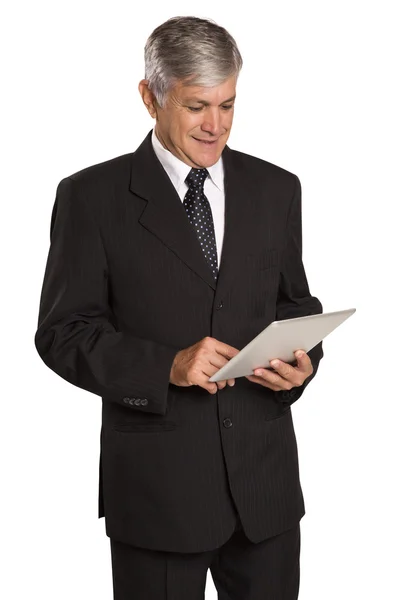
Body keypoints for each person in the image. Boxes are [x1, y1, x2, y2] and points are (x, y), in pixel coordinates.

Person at [34, 15, 324, 600]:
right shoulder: (89, 198)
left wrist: (303, 363)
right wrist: (166, 366)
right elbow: (63, 333)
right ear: (150, 97)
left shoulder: (276, 189)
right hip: (158, 495)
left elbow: (295, 302)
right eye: (196, 106)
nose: (215, 126)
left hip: (264, 493)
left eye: (229, 105)